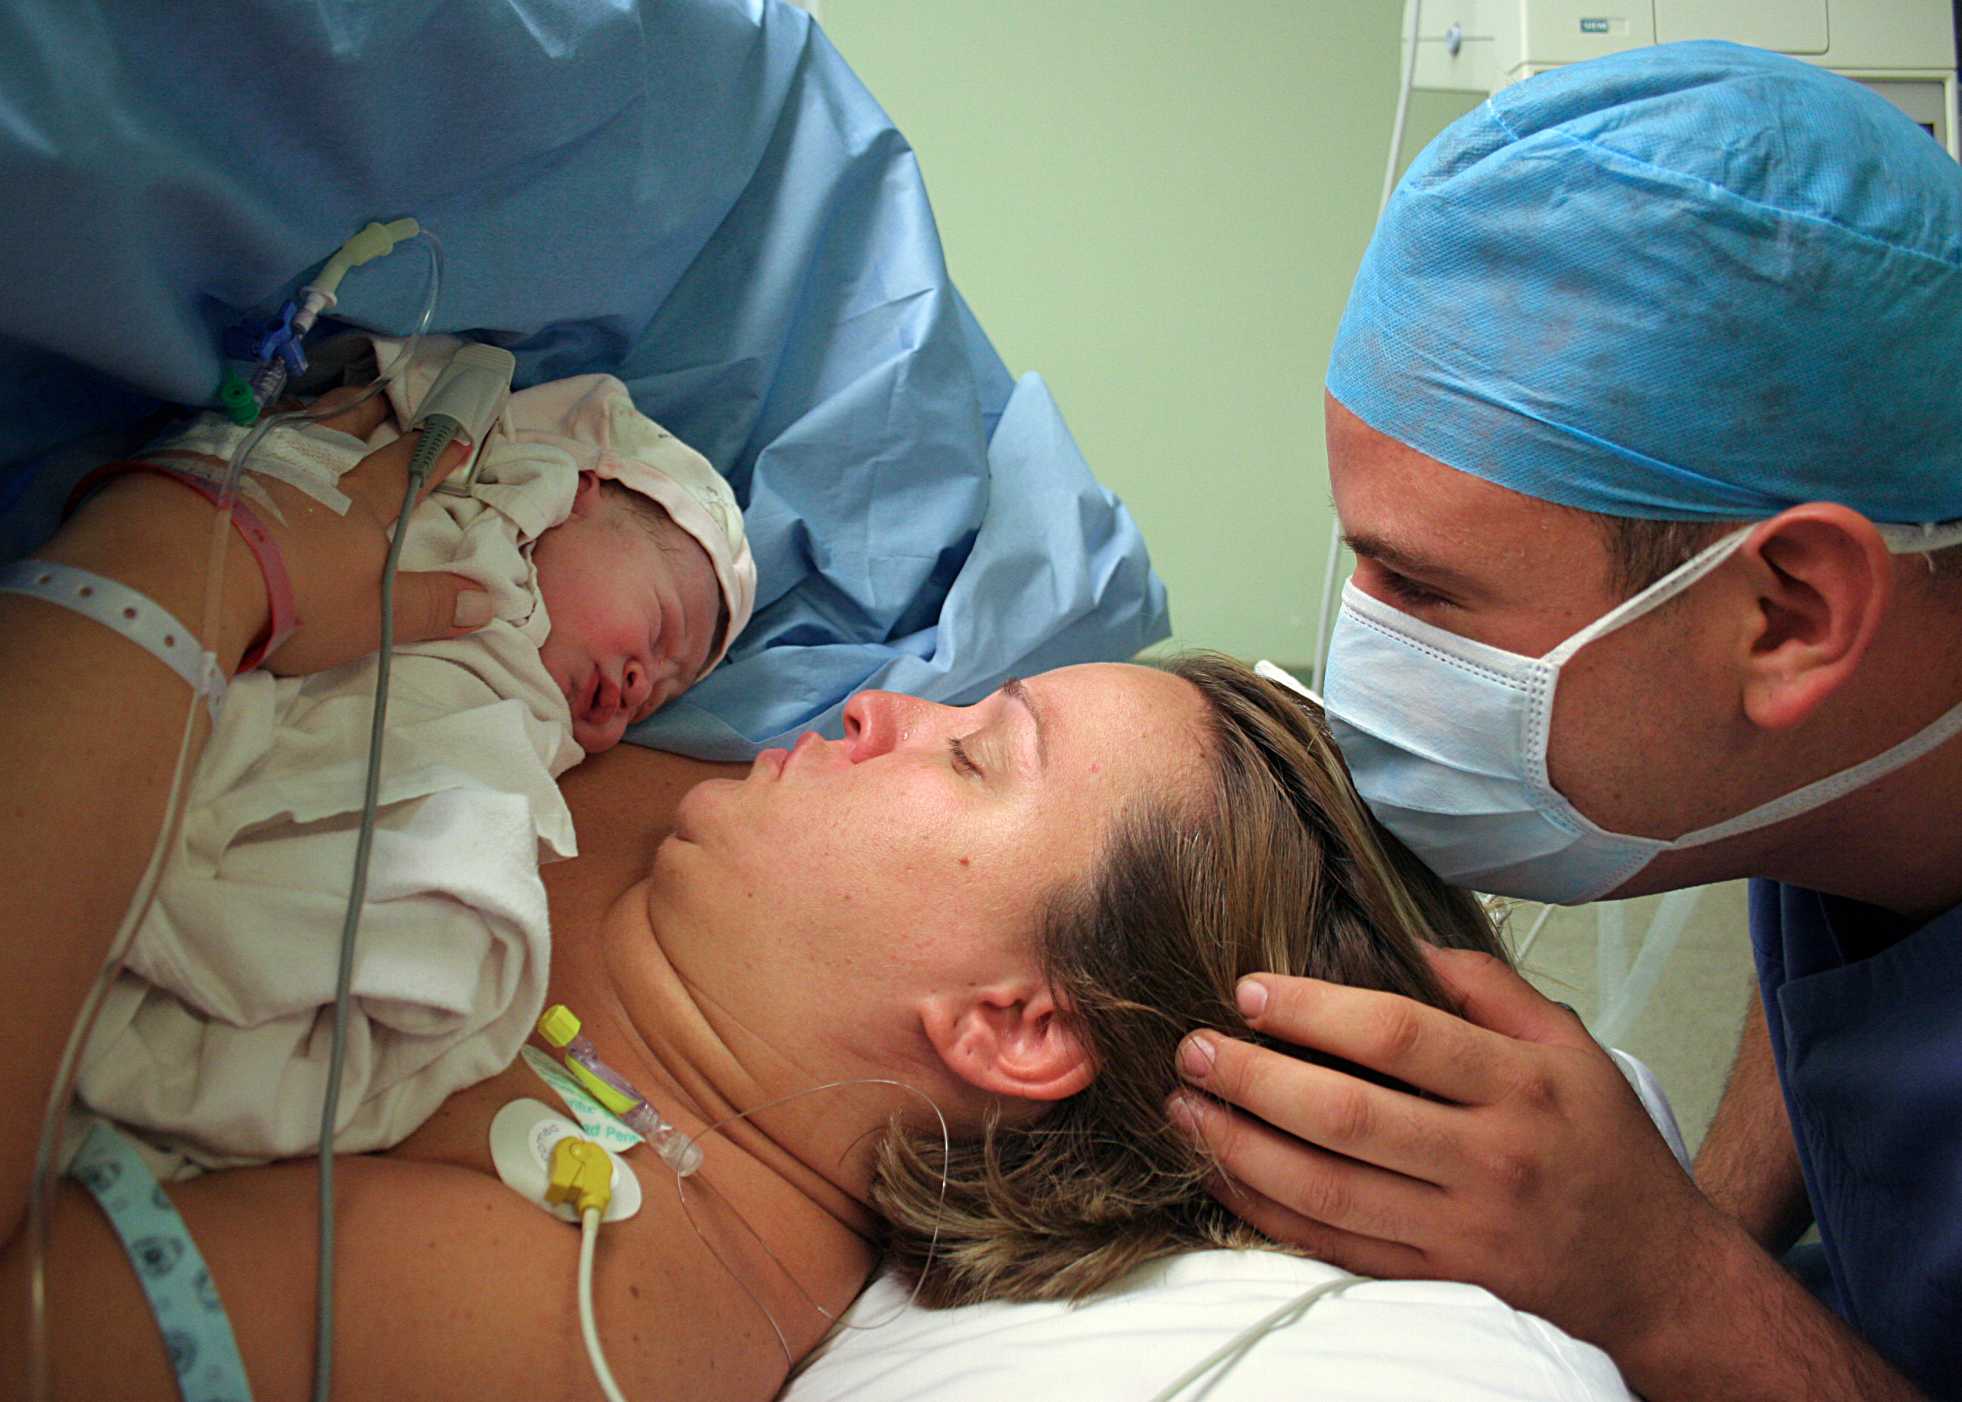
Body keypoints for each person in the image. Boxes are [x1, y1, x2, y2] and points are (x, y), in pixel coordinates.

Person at [0, 418, 1585, 1399]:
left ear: (1014, 1024)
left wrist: (190, 557)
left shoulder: (572, 1310)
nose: (887, 706)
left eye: (976, 754)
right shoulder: (714, 843)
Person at [1173, 40, 1962, 1402]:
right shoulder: (1846, 763)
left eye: (1424, 589)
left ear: (1788, 614)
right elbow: (1851, 971)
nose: (1359, 657)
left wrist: (1667, 1284)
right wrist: (1712, 1229)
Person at [65, 348, 758, 1174]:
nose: (641, 683)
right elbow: (403, 405)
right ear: (578, 495)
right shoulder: (475, 526)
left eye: (658, 697)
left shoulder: (535, 721)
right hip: (232, 715)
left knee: (457, 923)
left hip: (383, 821)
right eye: (659, 628)